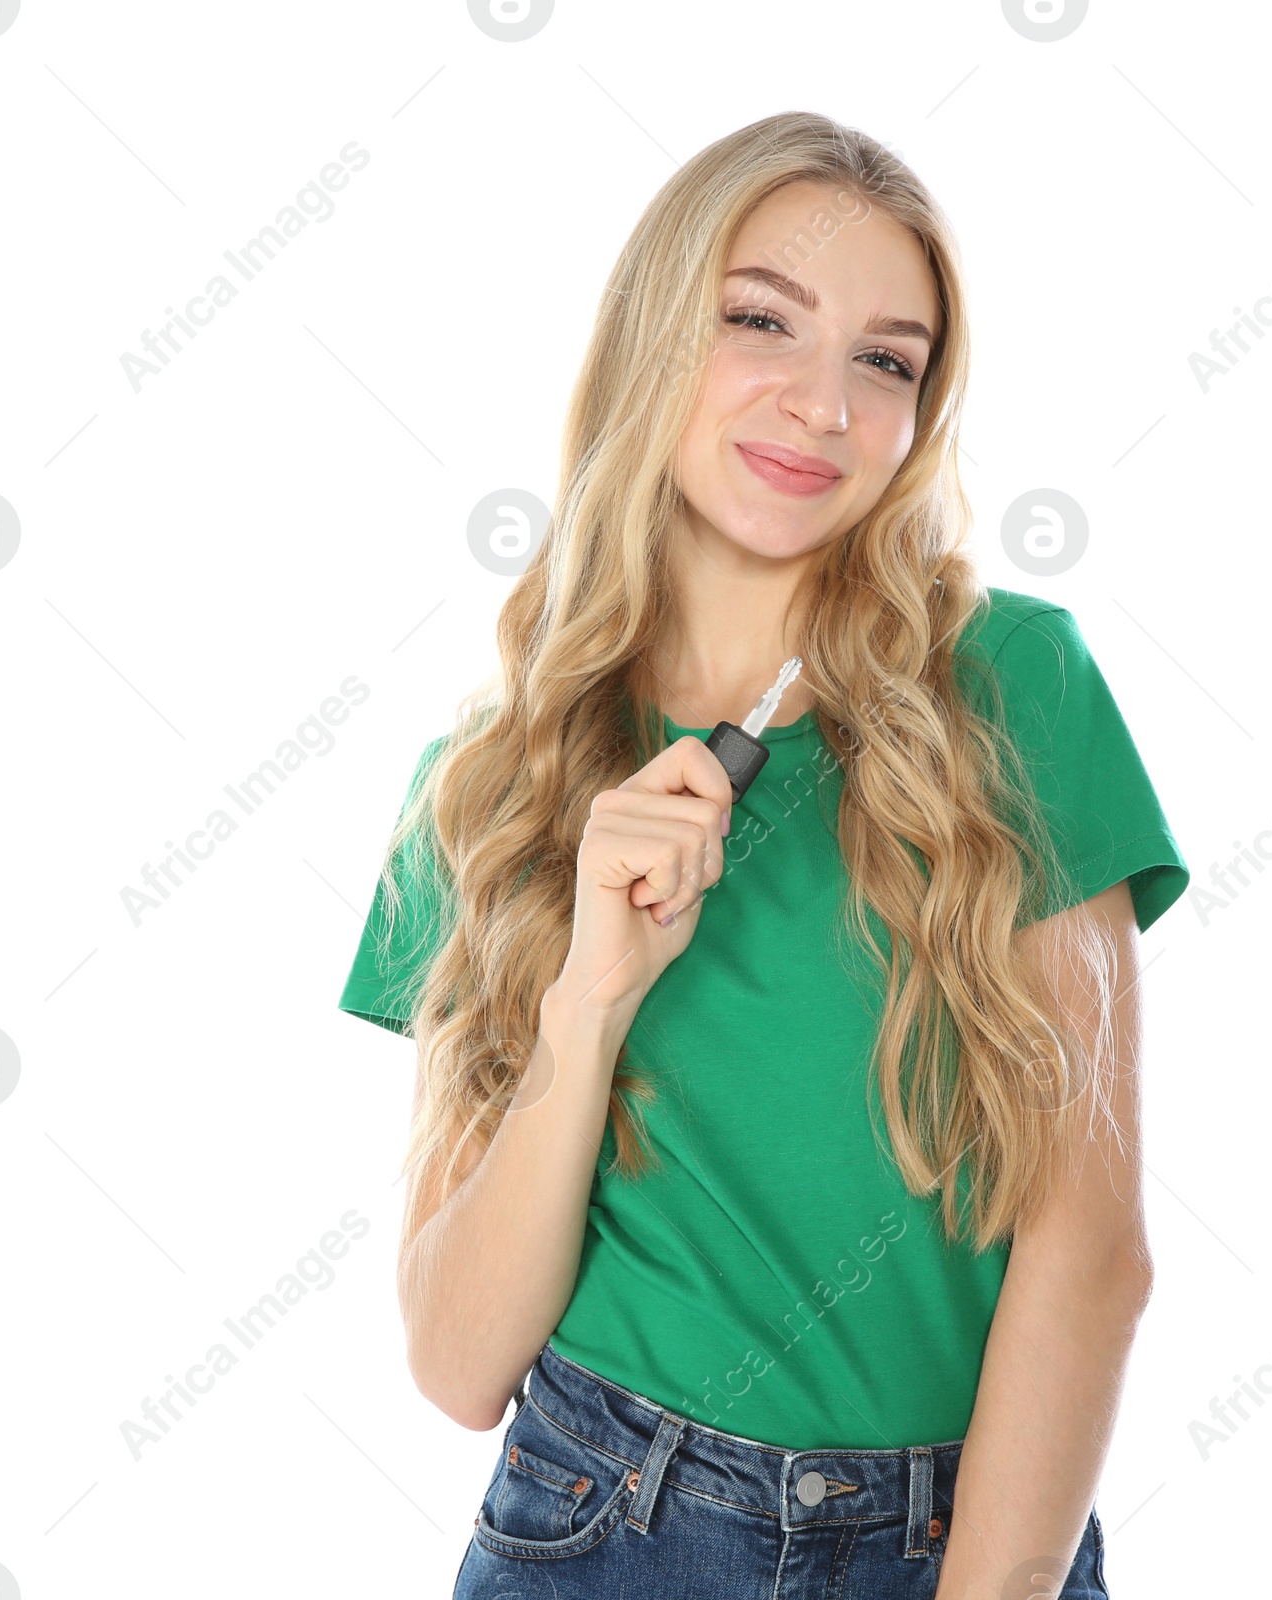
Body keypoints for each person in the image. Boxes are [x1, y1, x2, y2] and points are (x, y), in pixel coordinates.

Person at [337, 110, 1189, 1600]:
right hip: (596, 1522)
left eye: (886, 359)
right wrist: (590, 999)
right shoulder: (487, 791)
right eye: (761, 323)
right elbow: (459, 1362)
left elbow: (1093, 1254)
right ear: (654, 335)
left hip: (968, 1544)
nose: (821, 405)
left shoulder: (1011, 687)